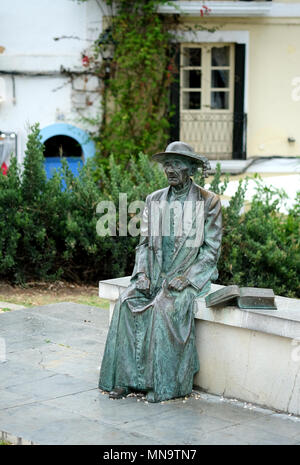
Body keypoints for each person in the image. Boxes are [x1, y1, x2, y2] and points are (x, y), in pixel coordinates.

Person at [98, 141, 222, 402]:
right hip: (153, 274)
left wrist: (187, 279)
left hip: (188, 277)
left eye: (176, 163)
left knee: (163, 308)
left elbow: (211, 251)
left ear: (189, 167)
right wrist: (141, 274)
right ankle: (124, 378)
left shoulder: (208, 202)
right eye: (167, 164)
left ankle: (162, 383)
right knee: (125, 302)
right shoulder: (154, 199)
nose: (170, 169)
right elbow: (143, 244)